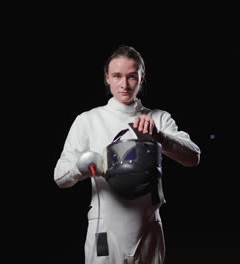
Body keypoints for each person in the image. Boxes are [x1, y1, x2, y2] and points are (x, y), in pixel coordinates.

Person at [53, 45, 201, 264]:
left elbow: (193, 157)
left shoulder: (158, 118)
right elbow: (59, 177)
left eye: (131, 76)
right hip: (104, 226)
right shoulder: (88, 120)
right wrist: (81, 167)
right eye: (117, 76)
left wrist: (160, 138)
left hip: (148, 225)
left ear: (142, 78)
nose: (124, 84)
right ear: (107, 78)